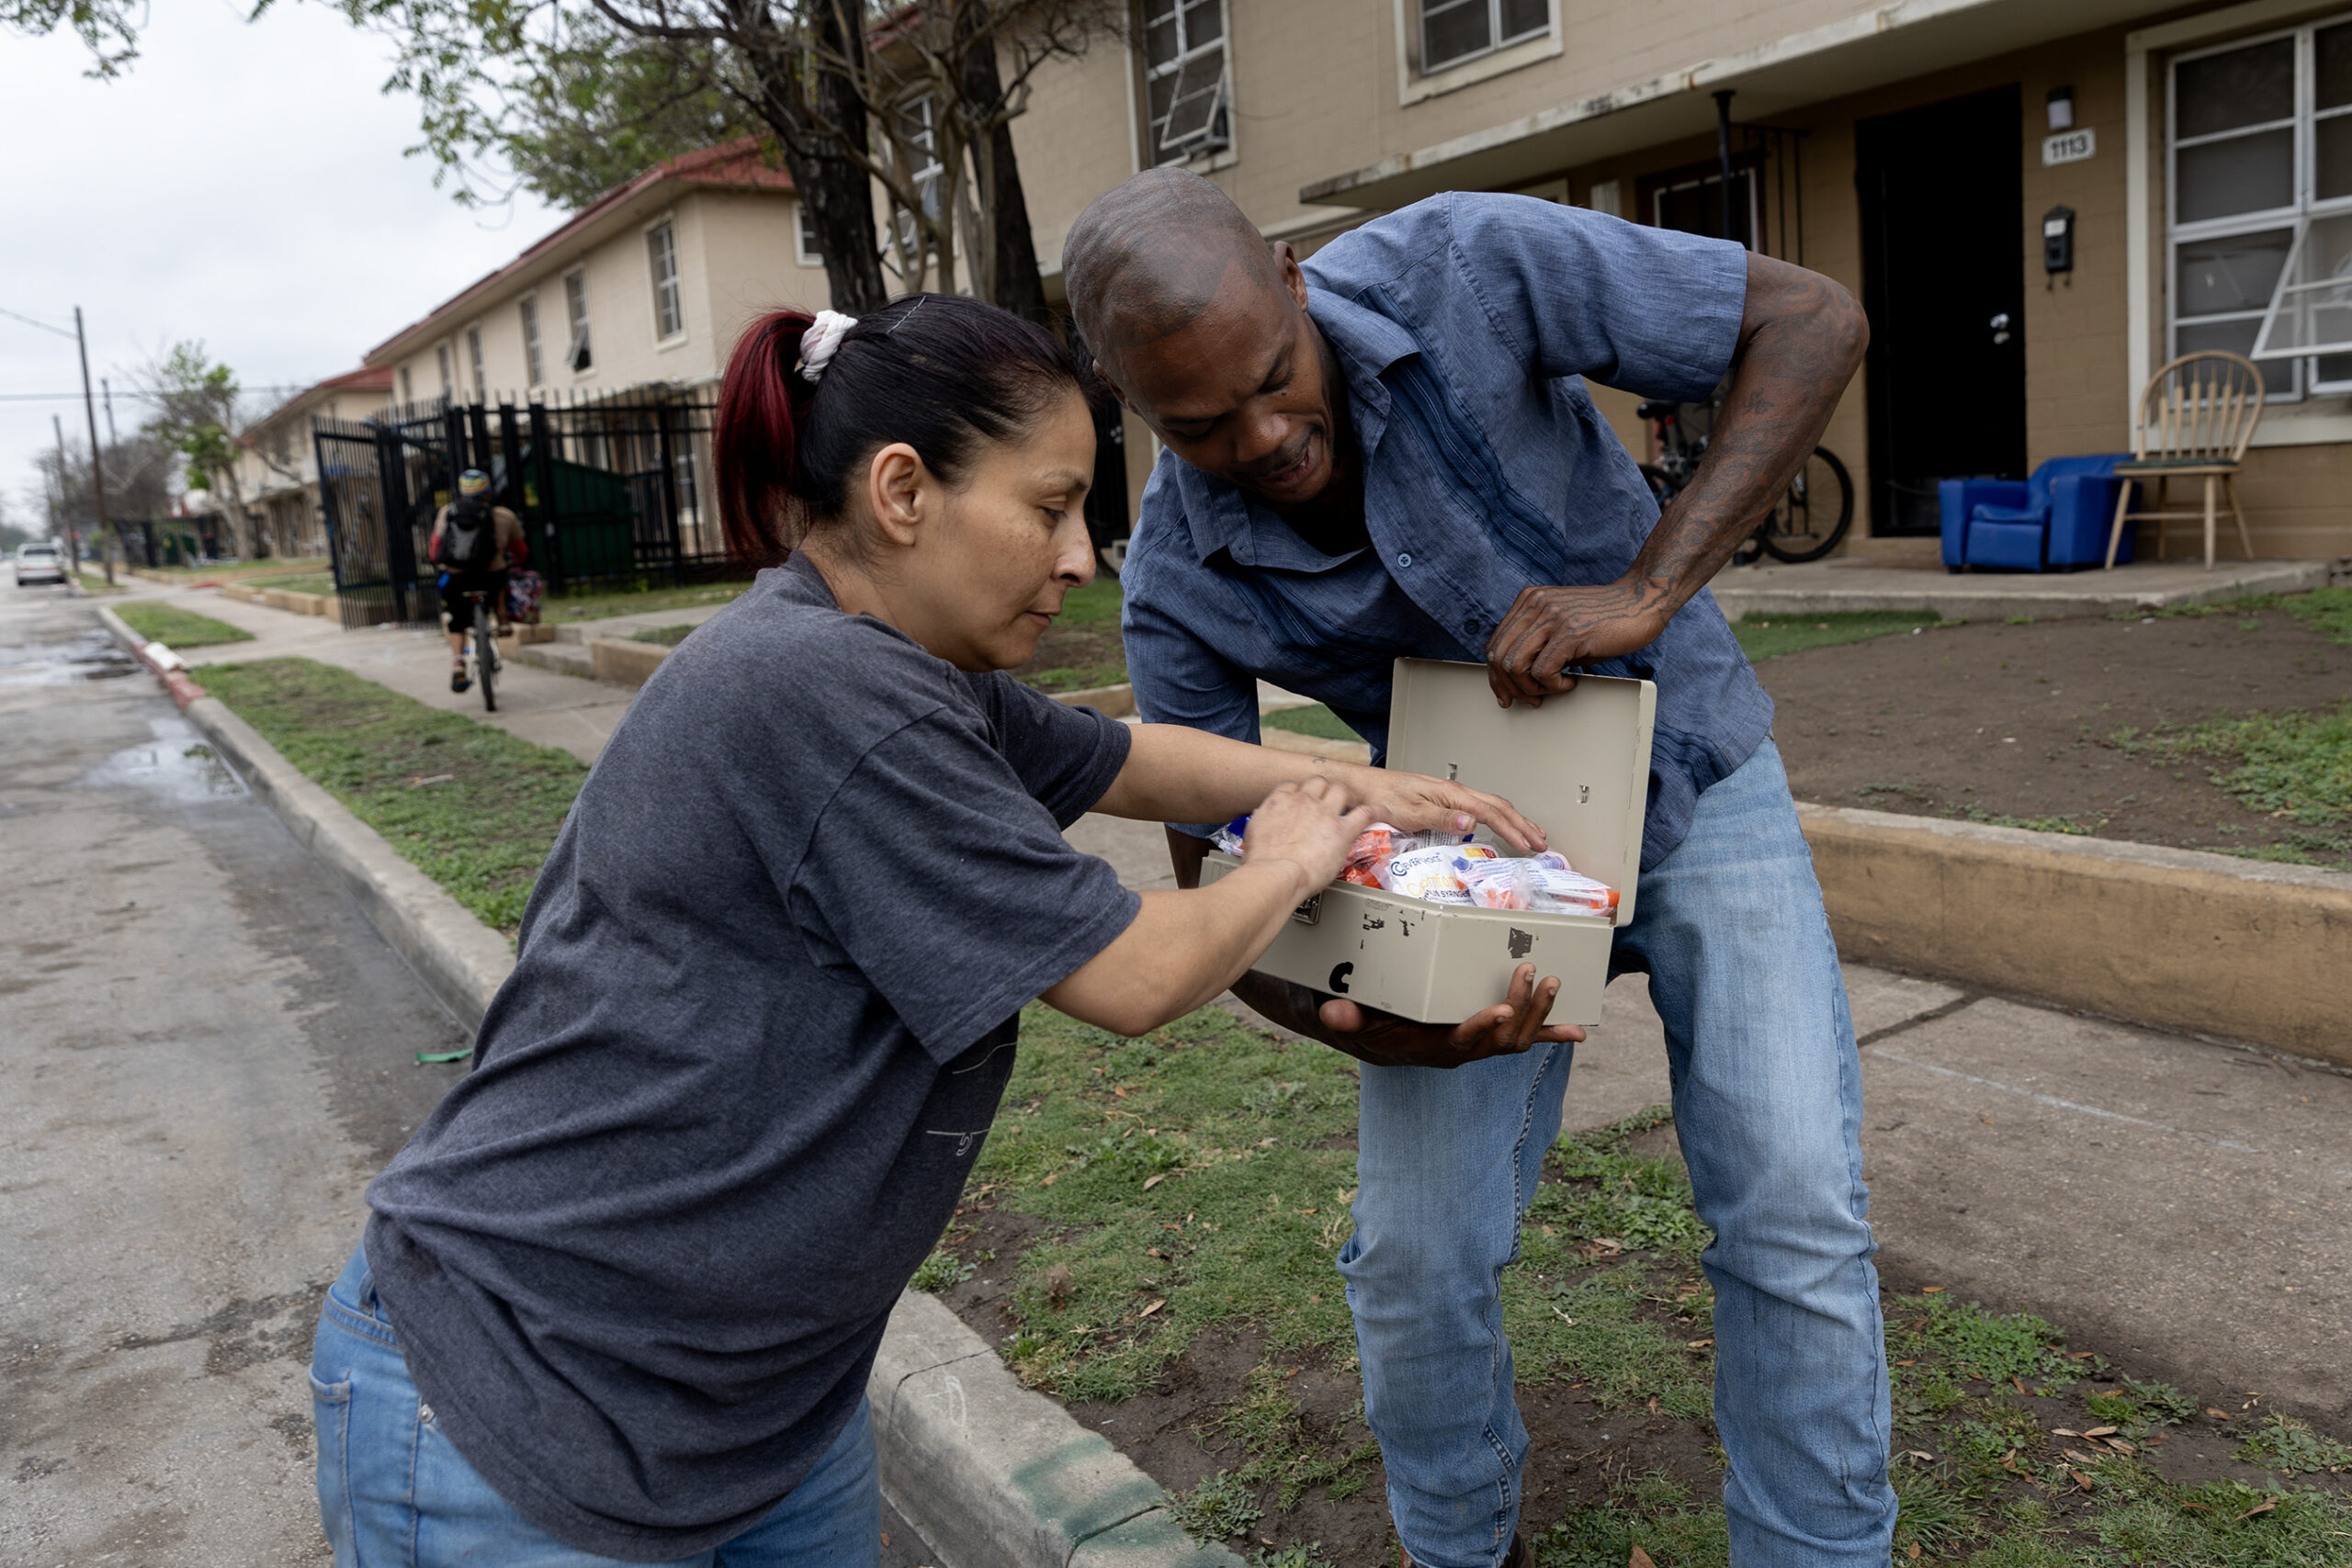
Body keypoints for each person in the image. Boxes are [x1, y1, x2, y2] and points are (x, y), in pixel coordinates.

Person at [307, 293, 1576, 1568]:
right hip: (527, 1387)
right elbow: (1137, 974)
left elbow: (1136, 758)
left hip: (760, 1406)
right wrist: (1297, 856)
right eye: (1049, 506)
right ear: (903, 491)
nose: (1083, 554)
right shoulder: (831, 691)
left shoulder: (902, 668)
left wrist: (1386, 787)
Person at [1062, 171, 1883, 1568]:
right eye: (1199, 426)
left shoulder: (1472, 262)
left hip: (1693, 765)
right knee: (1413, 1258)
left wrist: (1647, 586)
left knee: (1790, 1201)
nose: (1265, 439)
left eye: (1273, 379)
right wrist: (1368, 1019)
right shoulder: (1179, 577)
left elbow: (1813, 317)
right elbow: (1216, 886)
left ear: (1295, 273)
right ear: (1128, 399)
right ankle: (1461, 1549)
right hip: (1458, 876)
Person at [428, 468, 526, 693]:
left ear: (462, 492)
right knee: (502, 574)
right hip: (490, 579)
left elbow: (435, 550)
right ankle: (502, 621)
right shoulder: (504, 515)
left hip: (456, 579)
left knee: (456, 621)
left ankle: (458, 663)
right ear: (489, 492)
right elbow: (520, 551)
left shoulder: (447, 512)